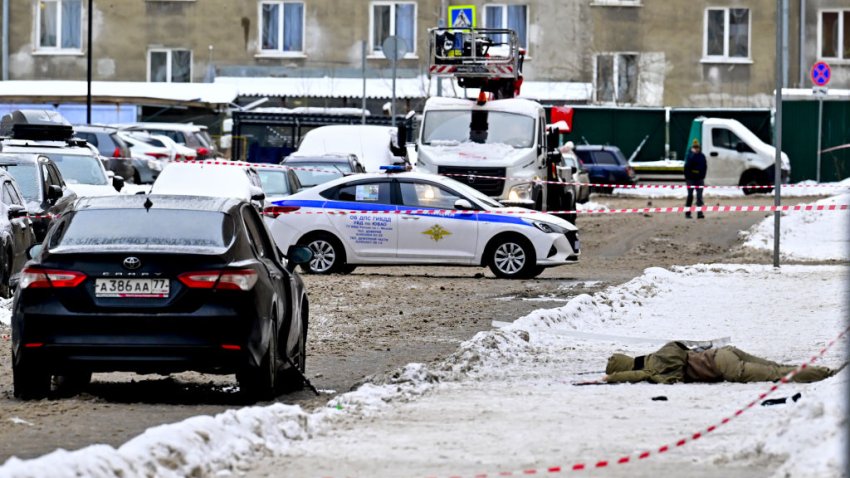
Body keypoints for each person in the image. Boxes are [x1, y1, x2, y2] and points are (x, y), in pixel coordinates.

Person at [605, 341, 838, 384]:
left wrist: (612, 378)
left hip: (722, 367)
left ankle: (824, 374)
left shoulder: (655, 367)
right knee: (775, 366)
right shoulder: (661, 353)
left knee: (774, 375)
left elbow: (642, 376)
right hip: (724, 353)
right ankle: (817, 371)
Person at [684, 139, 707, 219]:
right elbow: (688, 166)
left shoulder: (702, 156)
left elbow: (704, 166)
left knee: (699, 196)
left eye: (697, 147)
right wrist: (692, 155)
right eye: (695, 147)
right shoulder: (689, 155)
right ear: (692, 147)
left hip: (699, 178)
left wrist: (702, 176)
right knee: (690, 195)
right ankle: (687, 213)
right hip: (690, 178)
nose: (696, 148)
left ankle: (699, 213)